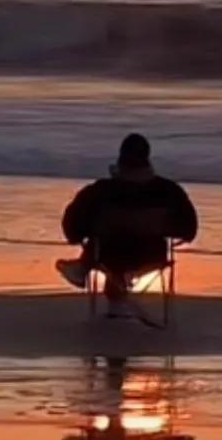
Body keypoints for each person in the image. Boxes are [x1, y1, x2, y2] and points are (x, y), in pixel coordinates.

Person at [56, 133, 198, 313]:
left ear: (120, 159)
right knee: (111, 241)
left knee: (101, 240)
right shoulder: (170, 191)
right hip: (152, 256)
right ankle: (110, 285)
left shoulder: (100, 191)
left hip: (108, 256)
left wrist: (84, 236)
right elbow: (190, 229)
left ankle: (85, 268)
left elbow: (71, 228)